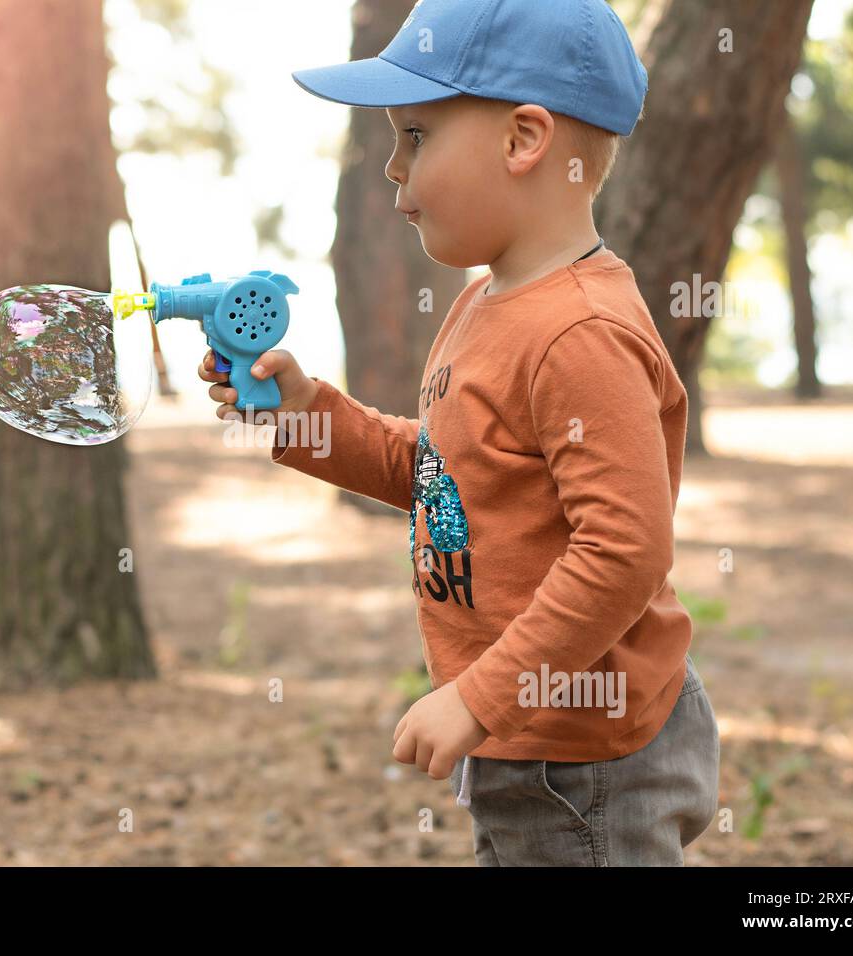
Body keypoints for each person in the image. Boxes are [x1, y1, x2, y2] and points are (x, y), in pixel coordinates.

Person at [199, 0, 719, 866]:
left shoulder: (580, 333)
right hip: (529, 733)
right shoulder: (488, 303)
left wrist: (481, 695)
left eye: (417, 138)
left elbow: (626, 549)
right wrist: (303, 416)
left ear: (524, 141)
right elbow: (446, 471)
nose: (393, 172)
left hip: (585, 757)